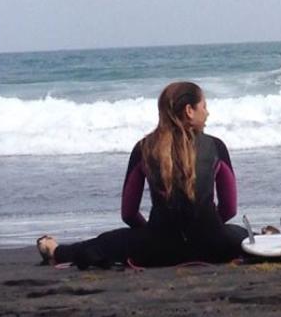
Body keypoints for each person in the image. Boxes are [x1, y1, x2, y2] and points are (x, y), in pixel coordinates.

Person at [36, 81, 249, 268]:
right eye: (204, 106)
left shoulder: (144, 148)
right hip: (215, 247)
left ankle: (54, 251)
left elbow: (129, 213)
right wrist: (206, 228)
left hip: (155, 251)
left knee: (104, 243)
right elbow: (229, 208)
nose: (208, 112)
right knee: (245, 237)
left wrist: (151, 233)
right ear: (189, 110)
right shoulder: (216, 147)